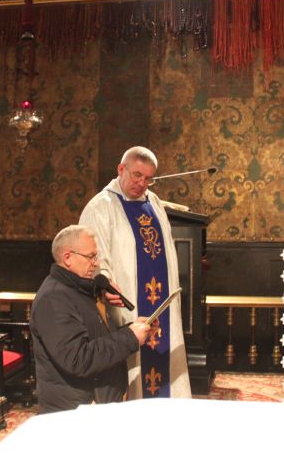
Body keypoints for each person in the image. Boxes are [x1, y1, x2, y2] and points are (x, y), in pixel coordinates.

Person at [79, 146, 191, 399]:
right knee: (134, 368)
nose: (142, 184)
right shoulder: (101, 206)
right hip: (126, 304)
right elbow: (93, 255)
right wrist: (105, 283)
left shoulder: (154, 203)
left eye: (148, 179)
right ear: (121, 169)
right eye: (137, 175)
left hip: (160, 303)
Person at [30, 225, 151, 414]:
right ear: (68, 258)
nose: (95, 263)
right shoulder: (53, 299)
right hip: (76, 410)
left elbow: (97, 339)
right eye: (91, 256)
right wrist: (130, 337)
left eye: (96, 256)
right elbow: (77, 359)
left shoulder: (79, 289)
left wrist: (132, 329)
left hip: (96, 404)